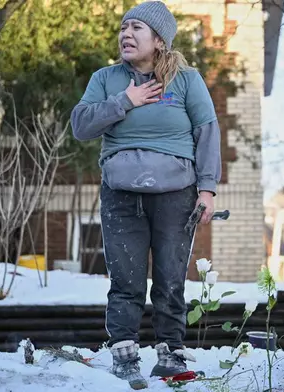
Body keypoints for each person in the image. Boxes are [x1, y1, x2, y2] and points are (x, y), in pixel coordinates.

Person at [70, 1, 221, 389]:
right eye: (123, 28)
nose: (126, 34)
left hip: (176, 194)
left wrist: (207, 190)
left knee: (170, 278)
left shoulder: (186, 80)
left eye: (136, 27)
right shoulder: (106, 78)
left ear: (159, 39)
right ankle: (124, 353)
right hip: (121, 194)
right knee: (126, 278)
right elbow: (81, 125)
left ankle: (170, 354)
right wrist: (126, 101)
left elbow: (207, 132)